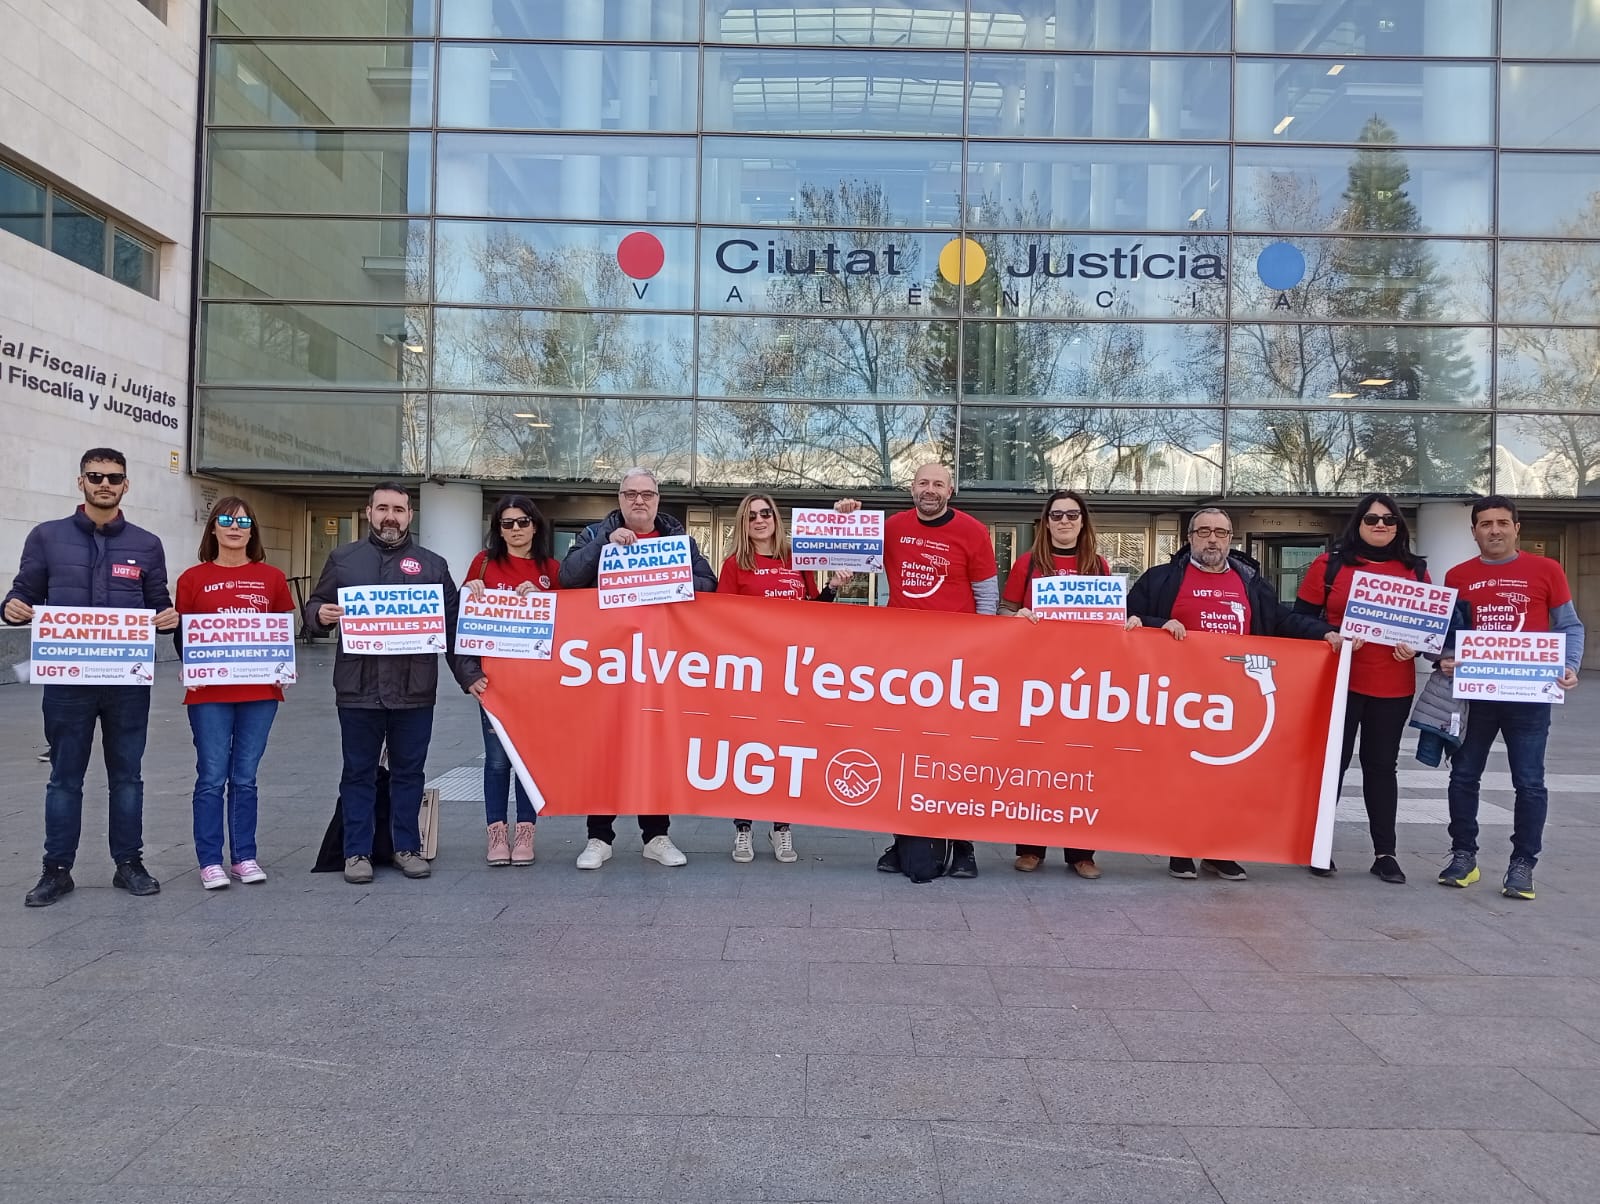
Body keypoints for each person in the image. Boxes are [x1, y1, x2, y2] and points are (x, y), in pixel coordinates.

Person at [1126, 507, 1340, 882]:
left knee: (1230, 776)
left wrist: (1323, 634)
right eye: (1204, 531)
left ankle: (1219, 851)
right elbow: (1127, 616)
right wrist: (1162, 624)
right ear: (1189, 537)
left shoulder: (1251, 583)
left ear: (1231, 539)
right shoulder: (1161, 579)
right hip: (1181, 697)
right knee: (1184, 775)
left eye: (1221, 533)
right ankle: (1182, 848)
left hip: (1235, 698)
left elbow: (1281, 621)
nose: (1212, 539)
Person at [5, 448, 178, 907]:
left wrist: (167, 618)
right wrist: (11, 608)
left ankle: (129, 864)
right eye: (96, 476)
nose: (105, 483)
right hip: (67, 684)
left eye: (114, 477)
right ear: (80, 481)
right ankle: (56, 870)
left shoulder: (146, 544)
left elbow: (157, 601)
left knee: (128, 777)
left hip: (126, 684)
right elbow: (22, 592)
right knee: (64, 778)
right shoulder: (46, 537)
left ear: (126, 485)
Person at [303, 482, 485, 885]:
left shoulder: (433, 566)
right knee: (358, 772)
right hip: (357, 687)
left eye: (398, 509)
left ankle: (407, 847)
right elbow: (313, 607)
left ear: (409, 516)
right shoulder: (344, 559)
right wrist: (321, 615)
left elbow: (453, 628)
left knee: (409, 772)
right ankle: (356, 852)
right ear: (368, 512)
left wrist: (469, 675)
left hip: (414, 688)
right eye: (383, 508)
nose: (391, 516)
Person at [836, 463, 998, 880]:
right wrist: (847, 513)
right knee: (901, 752)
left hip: (956, 662)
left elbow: (986, 596)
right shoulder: (892, 527)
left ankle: (963, 847)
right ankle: (901, 841)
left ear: (952, 489)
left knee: (956, 755)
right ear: (911, 489)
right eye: (923, 483)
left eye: (938, 484)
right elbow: (846, 546)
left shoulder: (973, 532)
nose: (930, 490)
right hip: (903, 660)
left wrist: (981, 654)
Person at [559, 467, 717, 869]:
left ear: (658, 499)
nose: (639, 501)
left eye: (646, 493)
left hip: (659, 662)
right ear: (619, 499)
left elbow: (708, 585)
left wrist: (665, 574)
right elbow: (568, 578)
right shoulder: (595, 535)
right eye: (630, 494)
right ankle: (599, 837)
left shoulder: (679, 541)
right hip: (607, 664)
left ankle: (656, 835)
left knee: (654, 747)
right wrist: (605, 548)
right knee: (606, 746)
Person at [1438, 495, 1583, 901]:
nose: (1495, 530)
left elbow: (1570, 625)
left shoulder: (1547, 570)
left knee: (1530, 782)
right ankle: (1463, 855)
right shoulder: (1457, 575)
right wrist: (1447, 657)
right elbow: (1450, 633)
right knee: (1463, 777)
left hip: (1529, 698)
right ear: (1474, 532)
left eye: (1502, 523)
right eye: (1486, 524)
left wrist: (1569, 665)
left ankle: (1523, 865)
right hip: (1476, 697)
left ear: (1517, 528)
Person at [1294, 493, 1428, 885]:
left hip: (1392, 686)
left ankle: (1385, 853)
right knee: (1330, 766)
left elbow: (1429, 629)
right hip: (1339, 682)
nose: (1381, 526)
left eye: (1389, 520)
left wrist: (1416, 645)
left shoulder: (1416, 572)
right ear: (1358, 524)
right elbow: (1298, 619)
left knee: (1382, 767)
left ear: (1399, 527)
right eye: (1372, 520)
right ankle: (1318, 846)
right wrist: (1330, 634)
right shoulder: (1330, 565)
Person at [717, 492, 852, 864]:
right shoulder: (734, 565)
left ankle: (782, 828)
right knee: (748, 750)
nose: (760, 520)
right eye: (751, 516)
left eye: (766, 513)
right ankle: (743, 829)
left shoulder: (797, 559)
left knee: (787, 751)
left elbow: (812, 612)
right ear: (743, 524)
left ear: (776, 518)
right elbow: (720, 619)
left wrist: (833, 589)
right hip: (752, 673)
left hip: (792, 673)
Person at [175, 497, 296, 891]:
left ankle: (244, 856)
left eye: (242, 521)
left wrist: (282, 667)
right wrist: (189, 667)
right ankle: (210, 861)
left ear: (251, 531)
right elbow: (183, 636)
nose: (234, 526)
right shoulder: (192, 579)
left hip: (259, 691)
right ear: (213, 528)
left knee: (245, 777)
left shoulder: (272, 579)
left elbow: (282, 631)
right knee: (211, 776)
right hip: (208, 692)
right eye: (225, 519)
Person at [1002, 490, 1111, 879]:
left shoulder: (1098, 565)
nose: (1064, 521)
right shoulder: (1028, 564)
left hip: (1082, 681)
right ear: (1046, 522)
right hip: (1037, 678)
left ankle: (1081, 853)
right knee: (1035, 763)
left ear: (1083, 522)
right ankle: (1030, 848)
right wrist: (1017, 619)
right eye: (1057, 515)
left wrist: (1127, 624)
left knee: (1080, 765)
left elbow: (1111, 619)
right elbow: (1006, 610)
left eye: (1072, 515)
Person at [462, 494, 560, 869]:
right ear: (498, 529)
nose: (516, 529)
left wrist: (545, 598)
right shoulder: (483, 564)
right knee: (498, 761)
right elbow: (464, 624)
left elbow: (569, 625)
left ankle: (525, 833)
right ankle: (496, 834)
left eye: (522, 522)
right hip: (493, 682)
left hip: (537, 684)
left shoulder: (553, 569)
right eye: (508, 523)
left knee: (527, 762)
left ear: (535, 526)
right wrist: (470, 592)